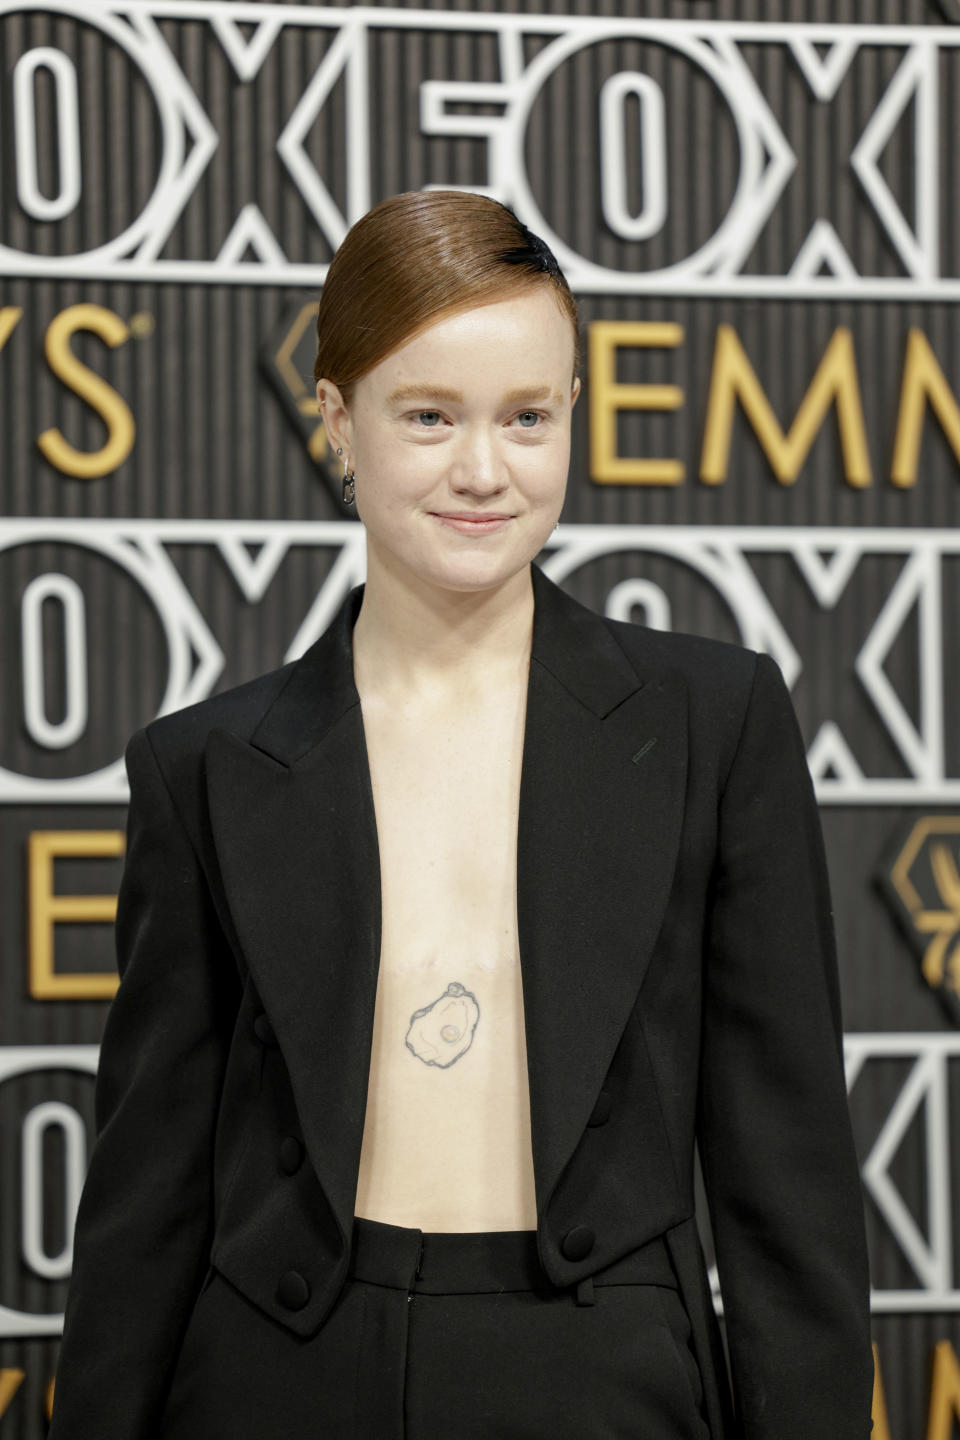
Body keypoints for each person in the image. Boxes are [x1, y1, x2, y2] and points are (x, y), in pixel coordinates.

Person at [48, 190, 873, 1440]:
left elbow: (786, 1171)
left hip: (601, 1372)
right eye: (428, 416)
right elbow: (147, 1191)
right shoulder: (204, 765)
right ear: (338, 421)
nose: (484, 470)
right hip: (275, 1378)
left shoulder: (714, 721)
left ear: (572, 420)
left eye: (527, 417)